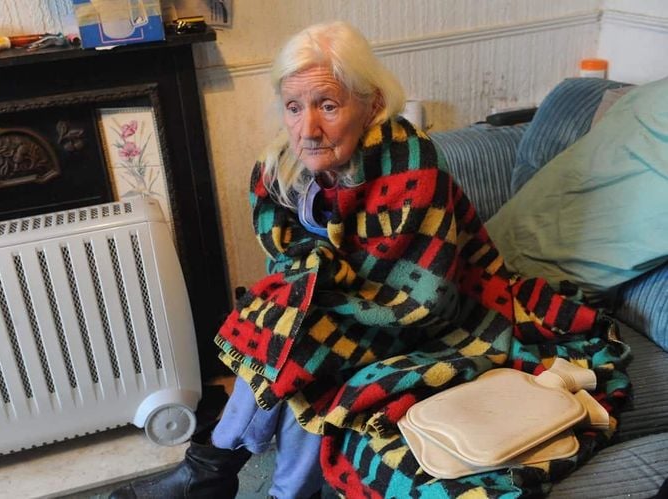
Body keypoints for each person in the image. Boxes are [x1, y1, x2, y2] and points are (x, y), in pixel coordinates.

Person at [111, 20, 630, 499]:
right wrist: (314, 278)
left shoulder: (411, 162)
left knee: (304, 344)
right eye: (294, 106)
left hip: (439, 312)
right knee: (292, 321)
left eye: (328, 105)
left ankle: (217, 473)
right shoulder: (283, 165)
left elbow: (419, 291)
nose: (307, 127)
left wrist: (318, 293)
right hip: (345, 304)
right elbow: (288, 253)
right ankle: (221, 474)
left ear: (371, 102)